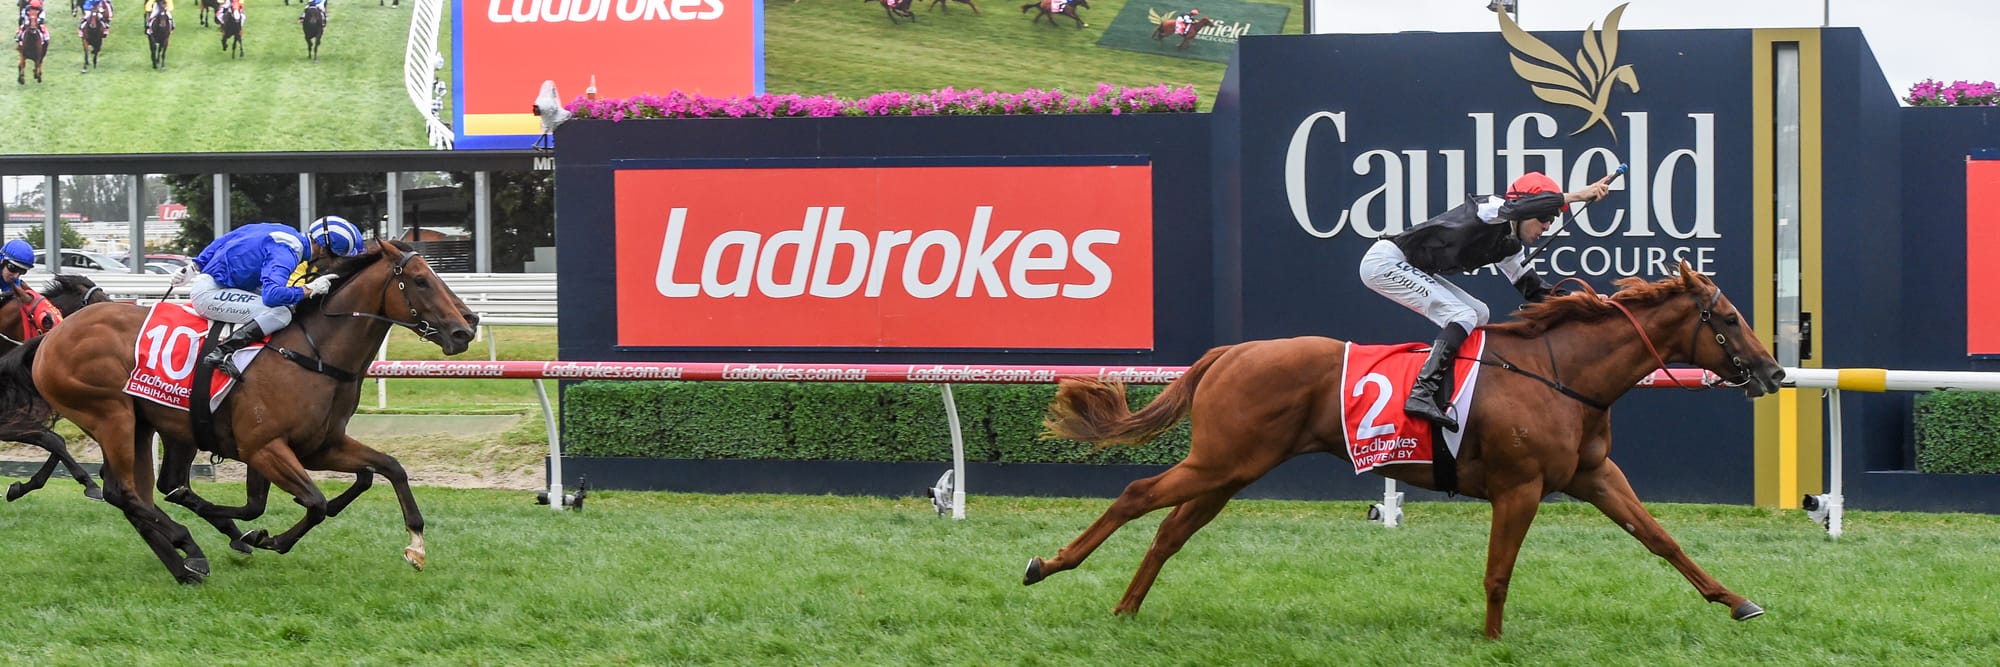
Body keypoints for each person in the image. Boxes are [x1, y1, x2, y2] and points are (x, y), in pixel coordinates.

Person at [1358, 171, 1611, 432]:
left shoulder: (1509, 247)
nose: (1547, 226)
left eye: (1552, 220)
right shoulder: (1489, 208)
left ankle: (1453, 387)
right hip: (1386, 262)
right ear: (1523, 209)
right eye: (1545, 217)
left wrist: (1580, 300)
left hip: (1410, 267)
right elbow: (1519, 206)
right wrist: (1580, 194)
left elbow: (1534, 290)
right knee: (1461, 315)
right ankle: (1421, 393)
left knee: (1479, 312)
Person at [174, 216, 363, 377]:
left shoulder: (285, 230)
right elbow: (272, 296)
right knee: (282, 313)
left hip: (223, 285)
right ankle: (222, 352)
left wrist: (195, 266)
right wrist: (308, 289)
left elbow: (232, 236)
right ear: (323, 250)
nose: (333, 264)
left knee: (289, 305)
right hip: (210, 294)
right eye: (336, 259)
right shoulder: (287, 253)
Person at [0, 240, 60, 333]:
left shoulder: (14, 282)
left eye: (22, 271)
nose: (16, 276)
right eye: (13, 268)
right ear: (2, 260)